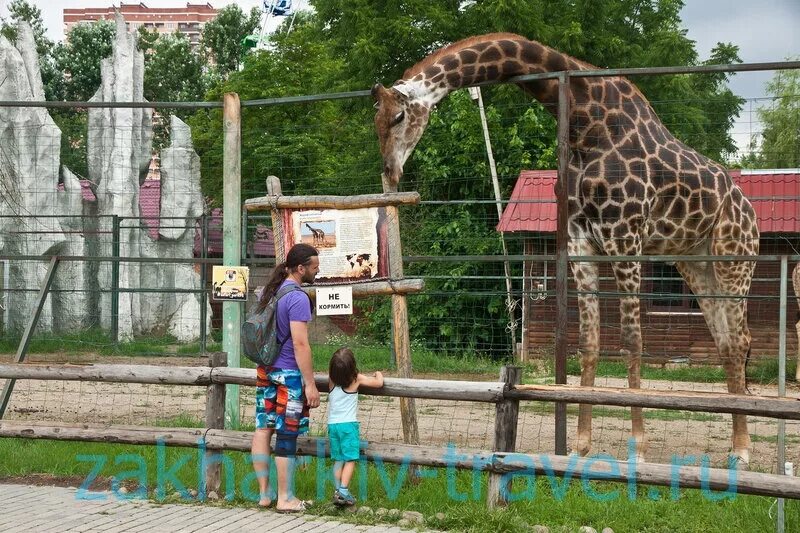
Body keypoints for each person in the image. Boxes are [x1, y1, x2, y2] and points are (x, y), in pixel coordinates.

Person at [250, 243, 321, 513]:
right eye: (314, 267)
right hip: (288, 373)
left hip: (265, 369)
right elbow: (301, 344)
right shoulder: (298, 298)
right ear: (300, 268)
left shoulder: (272, 291)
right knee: (287, 434)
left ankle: (264, 494)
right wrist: (311, 384)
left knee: (263, 428)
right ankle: (286, 498)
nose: (317, 271)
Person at [327, 346, 384, 506]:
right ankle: (344, 492)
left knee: (338, 459)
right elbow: (378, 383)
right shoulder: (356, 379)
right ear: (352, 367)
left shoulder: (331, 381)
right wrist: (378, 373)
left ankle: (337, 491)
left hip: (333, 426)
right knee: (350, 459)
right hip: (348, 426)